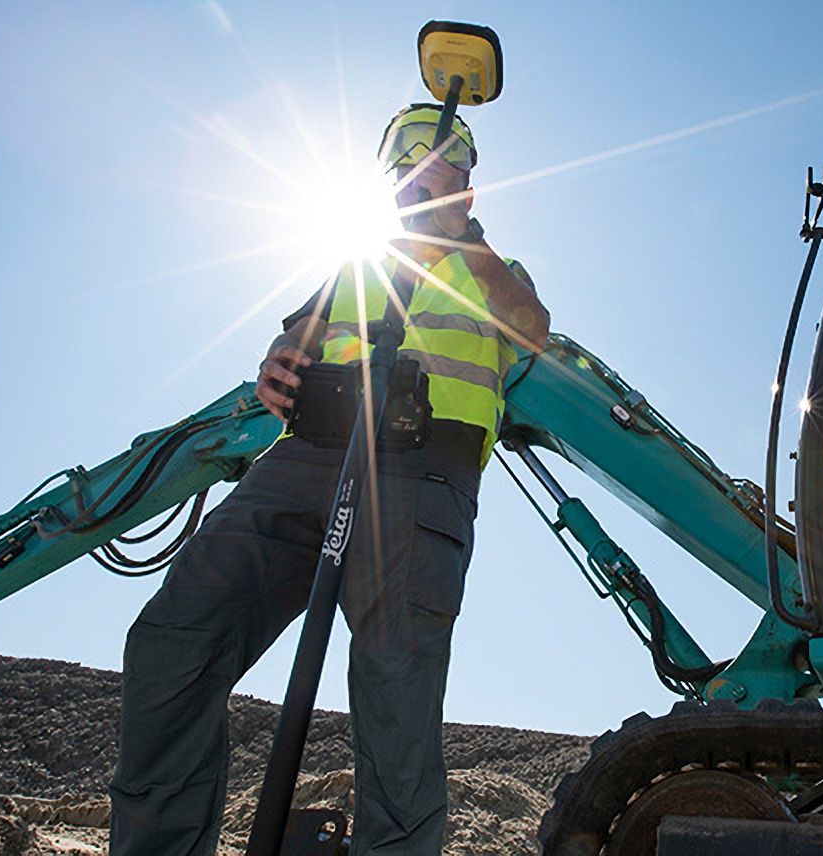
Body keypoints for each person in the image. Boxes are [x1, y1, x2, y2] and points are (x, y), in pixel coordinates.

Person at [109, 103, 549, 855]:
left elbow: (532, 330)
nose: (420, 172)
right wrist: (277, 360)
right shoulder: (357, 263)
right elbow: (297, 332)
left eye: (442, 161)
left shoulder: (495, 272)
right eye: (406, 162)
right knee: (173, 642)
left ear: (469, 188)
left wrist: (461, 238)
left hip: (422, 473)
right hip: (307, 455)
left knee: (394, 688)